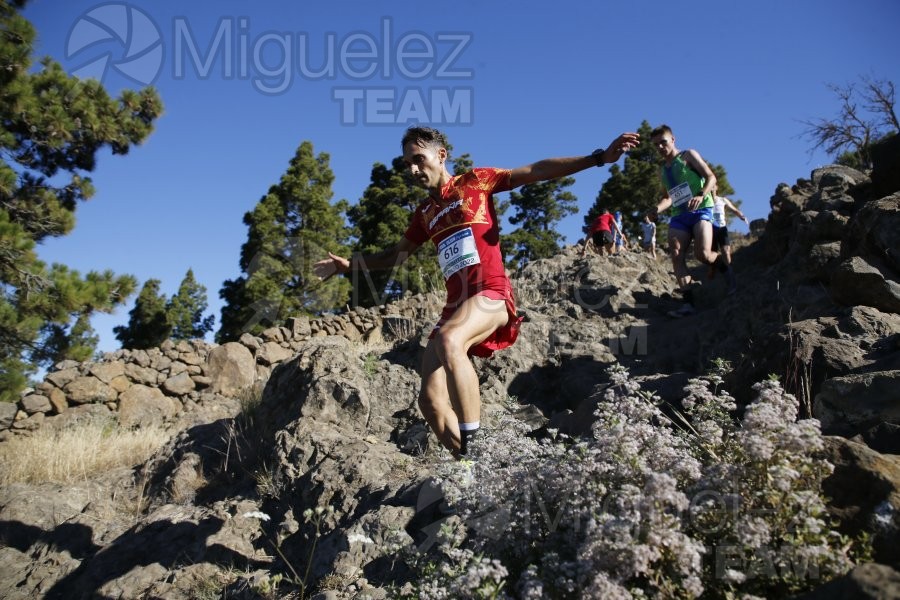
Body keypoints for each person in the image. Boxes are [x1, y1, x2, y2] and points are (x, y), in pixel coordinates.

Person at [314, 126, 640, 457]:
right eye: (407, 164)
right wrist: (348, 265)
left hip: (491, 294)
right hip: (455, 308)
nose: (413, 170)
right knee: (429, 401)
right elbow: (393, 257)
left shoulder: (476, 181)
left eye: (418, 159)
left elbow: (537, 171)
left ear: (441, 156)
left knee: (450, 340)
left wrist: (599, 158)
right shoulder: (424, 214)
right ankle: (472, 465)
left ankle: (476, 448)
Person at [650, 124, 731, 317]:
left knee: (702, 254)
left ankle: (723, 269)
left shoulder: (688, 156)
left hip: (701, 209)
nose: (661, 147)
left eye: (663, 142)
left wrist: (701, 194)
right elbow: (668, 197)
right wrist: (655, 209)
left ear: (673, 140)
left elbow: (710, 176)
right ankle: (688, 304)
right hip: (679, 215)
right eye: (656, 145)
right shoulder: (663, 170)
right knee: (676, 255)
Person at [710, 190, 750, 291]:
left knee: (726, 251)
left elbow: (734, 209)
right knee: (711, 256)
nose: (711, 189)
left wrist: (742, 216)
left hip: (722, 229)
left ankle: (731, 277)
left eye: (713, 187)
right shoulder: (705, 201)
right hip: (709, 232)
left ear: (716, 187)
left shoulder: (722, 200)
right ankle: (717, 271)